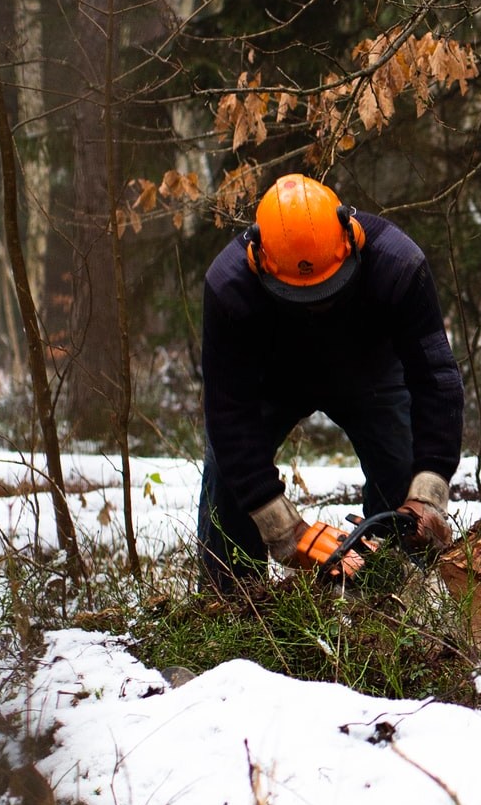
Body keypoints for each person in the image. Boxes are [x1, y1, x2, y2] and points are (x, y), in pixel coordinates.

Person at [197, 173, 465, 589]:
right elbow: (228, 412)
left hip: (370, 370)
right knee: (227, 478)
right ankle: (229, 604)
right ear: (259, 261)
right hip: (271, 380)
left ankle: (390, 597)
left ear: (352, 238)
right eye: (302, 296)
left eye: (330, 289)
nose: (319, 305)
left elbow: (437, 380)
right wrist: (281, 525)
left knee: (403, 472)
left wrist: (428, 493)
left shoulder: (398, 263)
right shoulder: (228, 287)